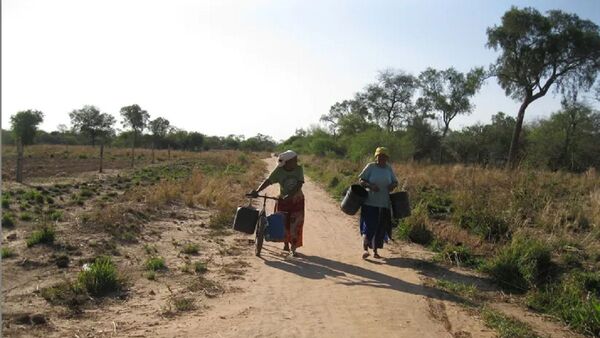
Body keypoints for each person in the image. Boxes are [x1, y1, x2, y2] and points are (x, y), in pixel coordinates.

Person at [250, 150, 305, 257]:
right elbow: (268, 181)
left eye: (296, 160)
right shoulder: (279, 170)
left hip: (297, 200)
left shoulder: (299, 169)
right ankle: (285, 243)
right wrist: (257, 191)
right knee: (282, 222)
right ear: (288, 162)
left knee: (296, 224)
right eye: (294, 161)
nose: (296, 162)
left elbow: (299, 184)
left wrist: (290, 195)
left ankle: (293, 248)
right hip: (283, 199)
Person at [358, 146, 398, 259]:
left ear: (387, 158)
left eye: (384, 156)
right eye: (380, 156)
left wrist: (392, 186)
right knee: (370, 225)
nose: (382, 158)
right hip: (370, 202)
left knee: (380, 228)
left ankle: (375, 251)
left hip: (384, 203)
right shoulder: (371, 167)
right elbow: (361, 180)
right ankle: (365, 249)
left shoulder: (388, 168)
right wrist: (370, 185)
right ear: (376, 157)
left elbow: (395, 182)